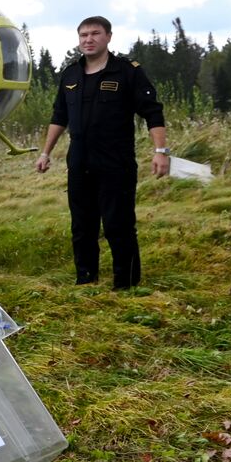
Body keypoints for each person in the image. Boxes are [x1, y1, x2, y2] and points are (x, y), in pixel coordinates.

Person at [35, 15, 169, 289]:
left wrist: (161, 150)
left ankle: (126, 284)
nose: (89, 39)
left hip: (115, 163)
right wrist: (45, 153)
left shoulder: (127, 72)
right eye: (83, 35)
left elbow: (152, 111)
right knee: (82, 226)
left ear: (108, 36)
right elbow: (59, 116)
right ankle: (85, 280)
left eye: (95, 33)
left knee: (118, 225)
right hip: (80, 162)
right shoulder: (70, 75)